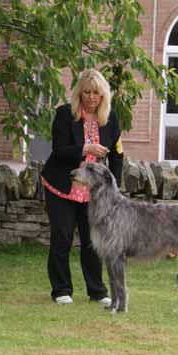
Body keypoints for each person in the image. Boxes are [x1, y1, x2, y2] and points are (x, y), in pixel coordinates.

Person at [40, 69, 124, 306]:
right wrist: (86, 149)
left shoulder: (111, 119)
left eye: (96, 93)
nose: (91, 98)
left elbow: (117, 155)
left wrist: (114, 189)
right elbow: (58, 151)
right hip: (62, 186)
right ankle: (61, 290)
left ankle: (97, 291)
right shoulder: (65, 115)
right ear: (79, 93)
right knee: (62, 237)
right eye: (86, 92)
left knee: (92, 241)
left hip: (93, 193)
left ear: (103, 95)